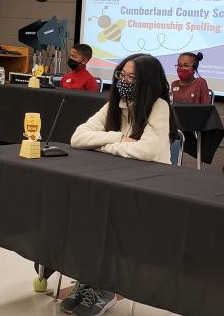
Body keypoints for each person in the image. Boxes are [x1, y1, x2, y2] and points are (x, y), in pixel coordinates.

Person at [63, 54, 179, 316]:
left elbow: (147, 150)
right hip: (115, 180)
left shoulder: (158, 106)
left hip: (151, 187)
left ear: (147, 82)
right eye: (121, 76)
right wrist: (120, 138)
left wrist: (103, 145)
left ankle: (106, 287)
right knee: (87, 216)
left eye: (131, 78)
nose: (124, 82)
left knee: (114, 221)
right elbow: (77, 137)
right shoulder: (117, 102)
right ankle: (89, 278)